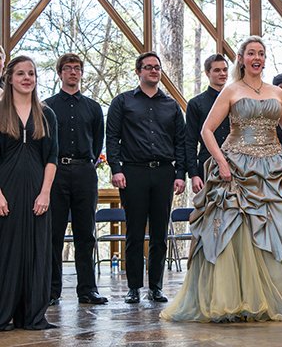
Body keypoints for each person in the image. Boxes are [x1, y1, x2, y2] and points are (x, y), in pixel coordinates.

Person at [160, 36, 282, 322]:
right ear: (241, 59)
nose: (257, 58)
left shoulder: (277, 93)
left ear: (265, 59)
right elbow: (207, 130)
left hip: (273, 170)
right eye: (251, 53)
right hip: (236, 168)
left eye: (262, 53)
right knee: (234, 232)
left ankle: (275, 299)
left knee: (280, 229)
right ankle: (236, 299)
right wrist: (221, 162)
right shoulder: (230, 90)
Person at [106, 51, 186, 304]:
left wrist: (180, 174)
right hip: (133, 172)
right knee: (135, 232)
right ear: (138, 71)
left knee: (161, 232)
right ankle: (133, 288)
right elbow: (112, 137)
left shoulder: (171, 105)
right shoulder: (123, 102)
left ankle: (156, 287)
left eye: (157, 68)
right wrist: (116, 168)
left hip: (164, 172)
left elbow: (181, 142)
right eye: (148, 67)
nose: (154, 71)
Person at [0, 56, 58, 330]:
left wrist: (45, 192)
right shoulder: (0, 111)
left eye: (32, 74)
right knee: (7, 251)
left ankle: (32, 315)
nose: (27, 78)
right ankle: (3, 313)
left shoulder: (46, 114)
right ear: (9, 77)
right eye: (21, 73)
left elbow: (51, 157)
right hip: (5, 189)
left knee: (37, 250)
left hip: (37, 189)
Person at [45, 53, 107, 306]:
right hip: (57, 172)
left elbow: (98, 139)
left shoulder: (92, 108)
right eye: (68, 68)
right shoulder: (47, 107)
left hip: (84, 172)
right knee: (54, 234)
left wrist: (88, 164)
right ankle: (51, 290)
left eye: (78, 68)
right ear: (60, 73)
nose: (73, 72)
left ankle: (87, 290)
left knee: (86, 234)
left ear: (82, 73)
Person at [186, 54, 230, 193]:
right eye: (217, 70)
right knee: (209, 211)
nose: (222, 73)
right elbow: (190, 141)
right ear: (207, 73)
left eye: (225, 70)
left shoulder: (237, 101)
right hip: (207, 165)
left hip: (236, 164)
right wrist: (193, 174)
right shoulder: (195, 103)